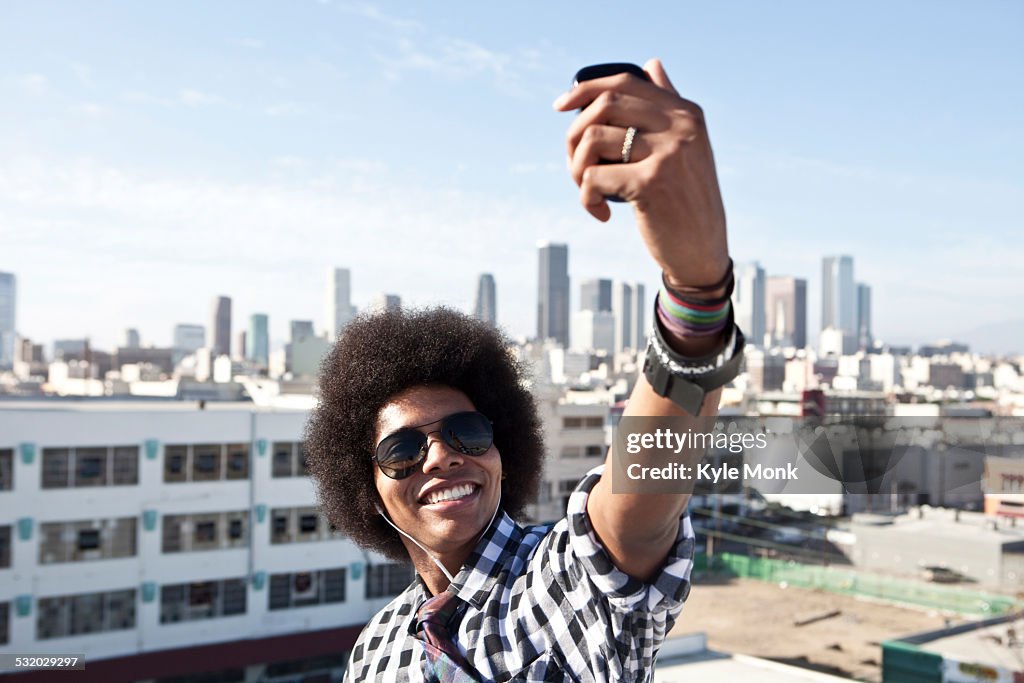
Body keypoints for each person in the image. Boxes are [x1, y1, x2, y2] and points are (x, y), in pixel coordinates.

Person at [304, 57, 743, 682]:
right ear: (365, 490)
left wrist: (696, 293)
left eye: (467, 433)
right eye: (402, 448)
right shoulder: (376, 652)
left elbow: (635, 513)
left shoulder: (561, 582)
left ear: (501, 449)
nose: (441, 457)